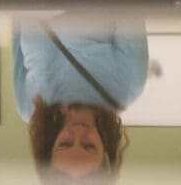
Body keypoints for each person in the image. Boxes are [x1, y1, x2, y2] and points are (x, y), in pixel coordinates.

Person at [14, 16, 148, 181]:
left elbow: (15, 18)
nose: (78, 131)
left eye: (65, 144)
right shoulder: (128, 83)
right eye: (88, 146)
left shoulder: (30, 107)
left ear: (49, 151)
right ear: (105, 159)